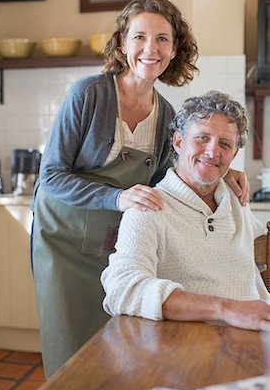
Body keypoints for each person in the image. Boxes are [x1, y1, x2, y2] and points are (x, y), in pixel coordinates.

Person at [32, 0, 250, 378]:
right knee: (70, 352)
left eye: (162, 39)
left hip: (115, 242)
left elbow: (169, 171)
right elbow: (51, 175)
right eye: (139, 37)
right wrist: (116, 196)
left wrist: (221, 172)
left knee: (116, 345)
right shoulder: (89, 94)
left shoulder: (166, 112)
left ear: (175, 48)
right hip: (63, 242)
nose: (151, 49)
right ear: (122, 44)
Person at [101, 91, 270, 331]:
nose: (213, 152)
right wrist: (225, 309)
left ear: (233, 154)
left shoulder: (236, 198)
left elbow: (262, 241)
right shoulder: (147, 208)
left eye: (225, 144)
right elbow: (122, 288)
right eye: (202, 138)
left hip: (255, 340)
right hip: (188, 346)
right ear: (178, 142)